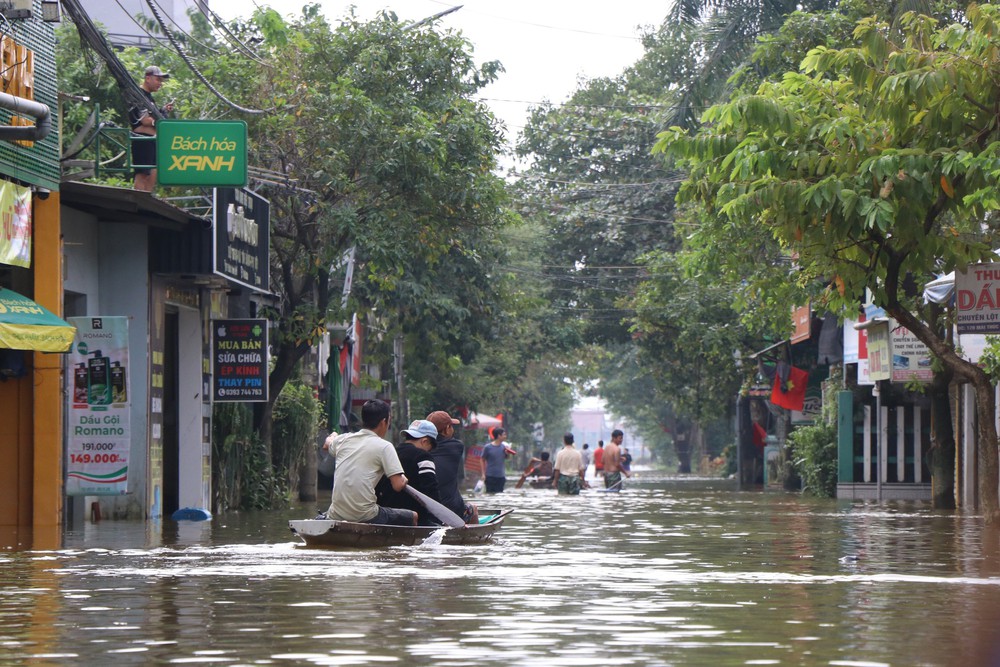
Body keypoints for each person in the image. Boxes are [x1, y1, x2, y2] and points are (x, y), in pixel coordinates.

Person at [323, 399, 416, 526]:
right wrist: (403, 479)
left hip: (336, 513)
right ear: (384, 422)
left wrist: (333, 436)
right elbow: (398, 485)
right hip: (365, 514)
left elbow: (327, 444)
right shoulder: (385, 446)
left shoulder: (343, 440)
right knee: (413, 517)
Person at [377, 419, 443, 525]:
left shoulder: (391, 452)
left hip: (387, 515)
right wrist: (441, 519)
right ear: (425, 441)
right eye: (430, 448)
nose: (429, 451)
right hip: (415, 519)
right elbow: (431, 489)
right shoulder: (423, 456)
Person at [426, 410, 478, 524]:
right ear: (446, 429)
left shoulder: (420, 448)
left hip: (426, 511)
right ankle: (474, 534)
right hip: (452, 510)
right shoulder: (456, 446)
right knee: (473, 509)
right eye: (451, 426)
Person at [128, 65, 174, 192]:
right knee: (142, 175)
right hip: (142, 140)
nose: (160, 83)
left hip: (152, 140)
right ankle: (138, 200)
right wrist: (158, 122)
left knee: (153, 175)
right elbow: (145, 120)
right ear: (148, 78)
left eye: (161, 81)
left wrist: (163, 111)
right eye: (158, 79)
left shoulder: (149, 97)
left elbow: (152, 117)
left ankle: (147, 199)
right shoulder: (139, 95)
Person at [480, 426, 514, 493]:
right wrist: (483, 474)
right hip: (490, 476)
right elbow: (482, 459)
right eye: (504, 435)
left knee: (499, 495)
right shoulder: (488, 447)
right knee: (489, 494)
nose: (505, 436)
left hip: (501, 477)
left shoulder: (504, 447)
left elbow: (508, 458)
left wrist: (508, 453)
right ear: (499, 436)